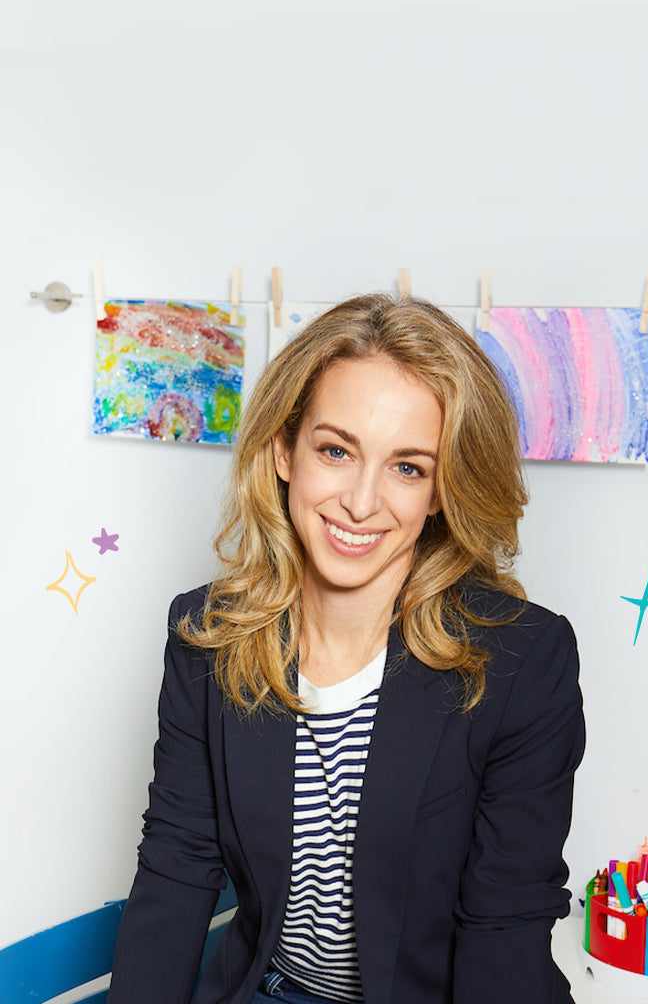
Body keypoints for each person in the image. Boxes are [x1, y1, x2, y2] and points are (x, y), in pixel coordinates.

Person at [108, 293, 585, 1004]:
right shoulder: (206, 636)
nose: (362, 502)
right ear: (283, 451)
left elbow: (505, 922)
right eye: (336, 450)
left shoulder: (525, 658)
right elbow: (178, 867)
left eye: (407, 467)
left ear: (440, 493)